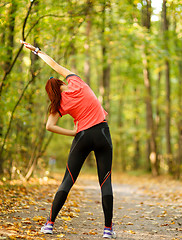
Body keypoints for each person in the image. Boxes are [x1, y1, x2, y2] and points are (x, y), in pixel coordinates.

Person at [20, 40, 116, 239]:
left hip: (82, 136)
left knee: (68, 180)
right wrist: (37, 51)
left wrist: (73, 133)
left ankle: (49, 224)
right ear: (62, 82)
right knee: (105, 182)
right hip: (102, 133)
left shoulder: (59, 104)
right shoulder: (77, 82)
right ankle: (108, 230)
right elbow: (54, 65)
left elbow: (49, 126)